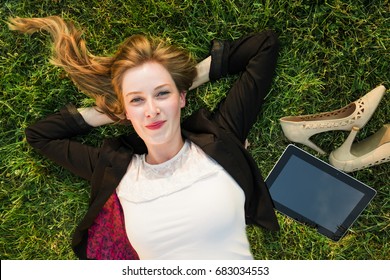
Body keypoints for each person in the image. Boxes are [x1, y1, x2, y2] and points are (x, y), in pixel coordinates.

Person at [9, 16, 280, 260]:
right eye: (138, 100)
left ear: (181, 97)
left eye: (162, 94)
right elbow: (40, 135)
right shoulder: (116, 168)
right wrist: (116, 111)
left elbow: (263, 46)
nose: (152, 110)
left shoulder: (220, 134)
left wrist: (182, 83)